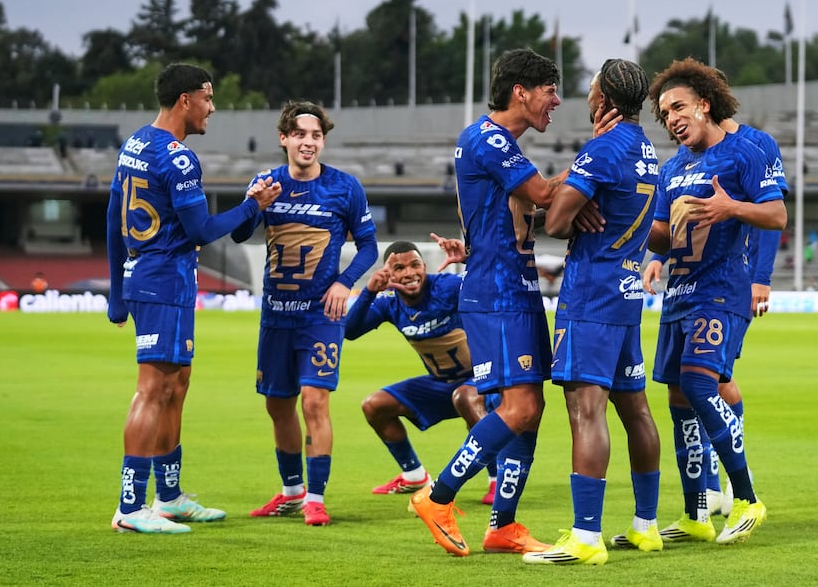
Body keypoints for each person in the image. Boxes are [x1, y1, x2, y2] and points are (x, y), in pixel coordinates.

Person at [408, 48, 573, 558]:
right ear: (520, 91)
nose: (557, 101)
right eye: (550, 90)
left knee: (529, 409)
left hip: (515, 288)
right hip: (498, 293)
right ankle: (436, 497)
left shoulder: (496, 144)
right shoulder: (486, 137)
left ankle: (502, 525)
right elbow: (545, 195)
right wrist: (600, 164)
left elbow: (512, 211)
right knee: (520, 406)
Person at [106, 62, 282, 534]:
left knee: (176, 384)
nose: (212, 107)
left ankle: (168, 497)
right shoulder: (178, 158)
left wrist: (116, 293)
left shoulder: (135, 143)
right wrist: (252, 205)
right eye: (208, 97)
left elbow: (111, 217)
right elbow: (202, 230)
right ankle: (129, 507)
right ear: (186, 99)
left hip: (152, 278)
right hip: (164, 279)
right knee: (154, 388)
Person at [522, 59, 663, 566]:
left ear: (602, 99)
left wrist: (569, 202)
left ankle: (585, 535)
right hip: (626, 296)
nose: (586, 96)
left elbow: (555, 224)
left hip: (592, 295)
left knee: (587, 409)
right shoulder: (646, 148)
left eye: (591, 88)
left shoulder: (602, 148)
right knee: (636, 409)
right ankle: (646, 527)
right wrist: (581, 198)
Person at [645, 57, 786, 545]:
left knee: (700, 384)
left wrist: (732, 208)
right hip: (678, 296)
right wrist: (643, 235)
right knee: (680, 400)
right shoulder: (672, 167)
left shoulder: (746, 150)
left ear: (704, 105)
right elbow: (661, 234)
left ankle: (746, 498)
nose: (672, 118)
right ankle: (696, 514)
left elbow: (775, 215)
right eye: (664, 113)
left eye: (679, 107)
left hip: (722, 291)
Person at [233, 100, 378, 526]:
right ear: (284, 138)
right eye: (300, 134)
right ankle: (291, 492)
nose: (308, 142)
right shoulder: (266, 182)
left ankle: (315, 497)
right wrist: (254, 205)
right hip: (276, 315)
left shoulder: (345, 187)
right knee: (279, 407)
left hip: (321, 316)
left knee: (315, 402)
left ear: (323, 141)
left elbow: (369, 245)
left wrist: (344, 282)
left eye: (316, 136)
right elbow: (241, 234)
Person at [344, 239, 499, 504]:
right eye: (399, 268)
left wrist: (468, 259)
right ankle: (414, 475)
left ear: (424, 267)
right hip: (440, 384)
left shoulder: (447, 287)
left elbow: (489, 284)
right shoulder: (388, 303)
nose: (408, 273)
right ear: (388, 274)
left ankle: (496, 480)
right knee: (374, 406)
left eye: (414, 265)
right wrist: (369, 291)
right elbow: (349, 331)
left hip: (481, 380)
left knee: (465, 396)